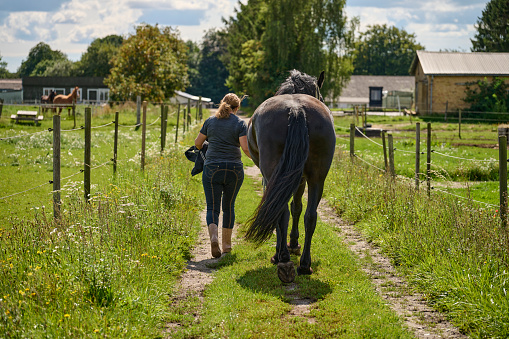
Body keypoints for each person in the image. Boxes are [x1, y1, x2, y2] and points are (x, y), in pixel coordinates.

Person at [194, 93, 251, 258]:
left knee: (212, 207)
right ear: (237, 108)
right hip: (234, 169)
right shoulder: (240, 123)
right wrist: (259, 161)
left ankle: (213, 237)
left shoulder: (210, 121)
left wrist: (205, 146)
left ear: (222, 104)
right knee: (229, 207)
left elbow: (198, 143)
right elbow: (245, 148)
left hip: (212, 168)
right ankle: (226, 245)